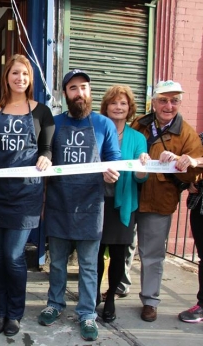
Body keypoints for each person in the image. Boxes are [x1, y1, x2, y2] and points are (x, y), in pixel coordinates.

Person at [0, 54, 54, 337]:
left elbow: (47, 148)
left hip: (26, 194)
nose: (20, 78)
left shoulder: (42, 112)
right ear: (6, 76)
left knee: (14, 255)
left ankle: (15, 313)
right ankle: (0, 311)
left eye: (25, 75)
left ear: (30, 80)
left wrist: (45, 157)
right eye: (15, 73)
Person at [37, 69, 121, 342]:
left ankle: (87, 314)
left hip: (91, 206)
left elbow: (114, 159)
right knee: (58, 263)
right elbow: (45, 154)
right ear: (66, 94)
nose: (80, 93)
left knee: (88, 266)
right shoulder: (55, 123)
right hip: (59, 204)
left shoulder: (104, 124)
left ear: (89, 91)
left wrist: (112, 172)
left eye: (84, 87)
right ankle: (55, 304)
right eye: (73, 88)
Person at [130, 80, 202, 322]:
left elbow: (195, 174)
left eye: (174, 100)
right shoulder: (139, 124)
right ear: (153, 102)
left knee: (152, 254)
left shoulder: (187, 134)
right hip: (130, 196)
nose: (168, 105)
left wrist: (183, 161)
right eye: (163, 100)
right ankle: (119, 287)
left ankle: (150, 301)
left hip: (160, 201)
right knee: (125, 247)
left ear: (179, 103)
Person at [95, 85, 149, 322]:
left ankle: (110, 301)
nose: (118, 107)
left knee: (118, 255)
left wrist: (141, 166)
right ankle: (92, 294)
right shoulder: (95, 130)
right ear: (106, 107)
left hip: (123, 203)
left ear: (130, 109)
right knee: (93, 253)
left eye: (123, 103)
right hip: (96, 201)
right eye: (114, 103)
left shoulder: (138, 138)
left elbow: (141, 178)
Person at [157, 133, 203, 323]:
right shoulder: (199, 138)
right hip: (200, 206)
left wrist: (196, 161)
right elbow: (184, 164)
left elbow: (193, 160)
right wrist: (188, 180)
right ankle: (202, 305)